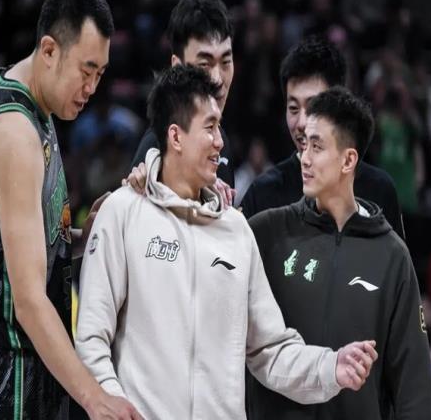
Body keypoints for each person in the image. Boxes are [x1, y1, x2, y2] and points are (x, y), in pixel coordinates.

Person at [75, 65, 377, 419]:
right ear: (175, 137)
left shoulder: (236, 230)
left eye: (219, 126)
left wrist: (330, 366)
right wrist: (115, 407)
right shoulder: (122, 213)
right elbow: (91, 338)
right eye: (210, 127)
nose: (220, 141)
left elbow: (270, 349)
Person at [0, 0, 142, 419]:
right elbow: (28, 300)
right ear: (49, 50)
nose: (92, 87)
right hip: (4, 380)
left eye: (101, 74)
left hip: (28, 371)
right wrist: (95, 398)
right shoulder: (15, 135)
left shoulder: (38, 104)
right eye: (86, 70)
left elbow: (17, 246)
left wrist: (80, 238)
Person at [247, 86, 431, 419]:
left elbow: (413, 387)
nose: (304, 157)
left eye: (317, 146)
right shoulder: (266, 232)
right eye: (305, 144)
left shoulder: (392, 256)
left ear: (349, 160)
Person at [240, 36, 404, 239]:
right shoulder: (263, 193)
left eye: (313, 107)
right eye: (293, 108)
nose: (301, 123)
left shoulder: (379, 189)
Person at [127, 0, 235, 204]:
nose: (217, 79)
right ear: (178, 67)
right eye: (204, 64)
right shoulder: (154, 149)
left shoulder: (221, 141)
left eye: (225, 62)